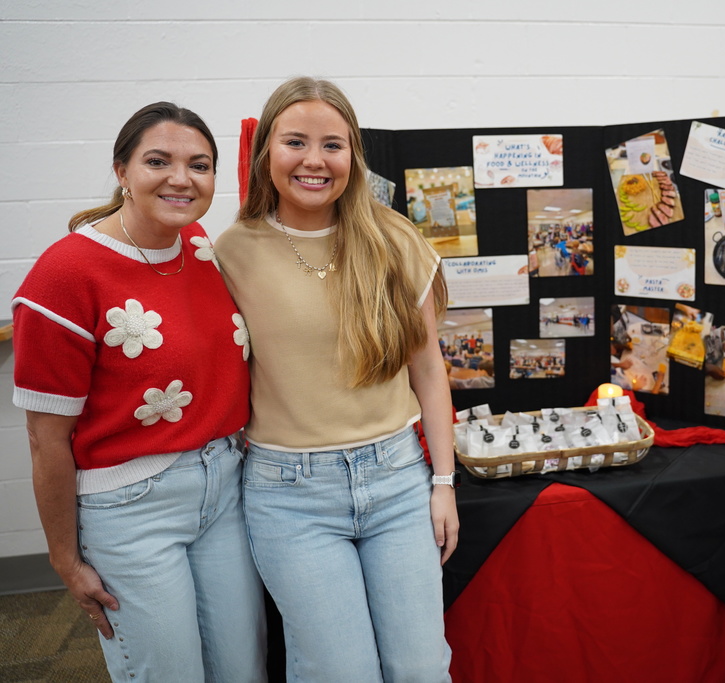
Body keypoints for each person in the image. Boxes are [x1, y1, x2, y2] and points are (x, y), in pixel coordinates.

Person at [12, 102, 266, 681]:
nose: (181, 178)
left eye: (199, 165)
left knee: (242, 666)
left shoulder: (199, 246)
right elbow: (44, 440)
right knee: (168, 671)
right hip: (130, 509)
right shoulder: (64, 277)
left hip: (224, 489)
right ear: (122, 170)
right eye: (159, 161)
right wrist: (65, 558)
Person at [215, 77, 458, 682]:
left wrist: (444, 483)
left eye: (334, 144)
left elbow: (428, 369)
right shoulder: (230, 252)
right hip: (289, 495)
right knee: (337, 670)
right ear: (265, 151)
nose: (315, 161)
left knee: (422, 667)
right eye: (295, 142)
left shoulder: (392, 239)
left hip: (398, 481)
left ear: (354, 155)